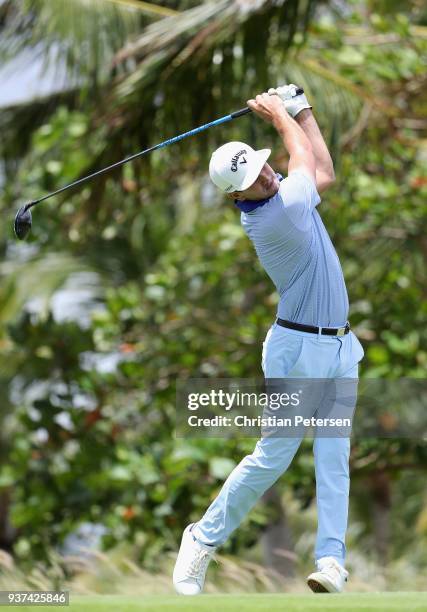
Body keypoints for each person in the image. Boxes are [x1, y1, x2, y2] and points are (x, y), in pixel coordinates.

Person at [173, 85, 365, 595]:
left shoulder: (287, 192)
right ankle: (201, 538)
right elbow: (302, 158)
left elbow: (321, 170)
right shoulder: (276, 215)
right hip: (298, 351)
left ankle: (330, 561)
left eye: (260, 166)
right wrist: (283, 113)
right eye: (252, 179)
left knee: (333, 457)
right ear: (238, 197)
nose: (264, 174)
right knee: (273, 455)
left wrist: (303, 110)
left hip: (342, 348)